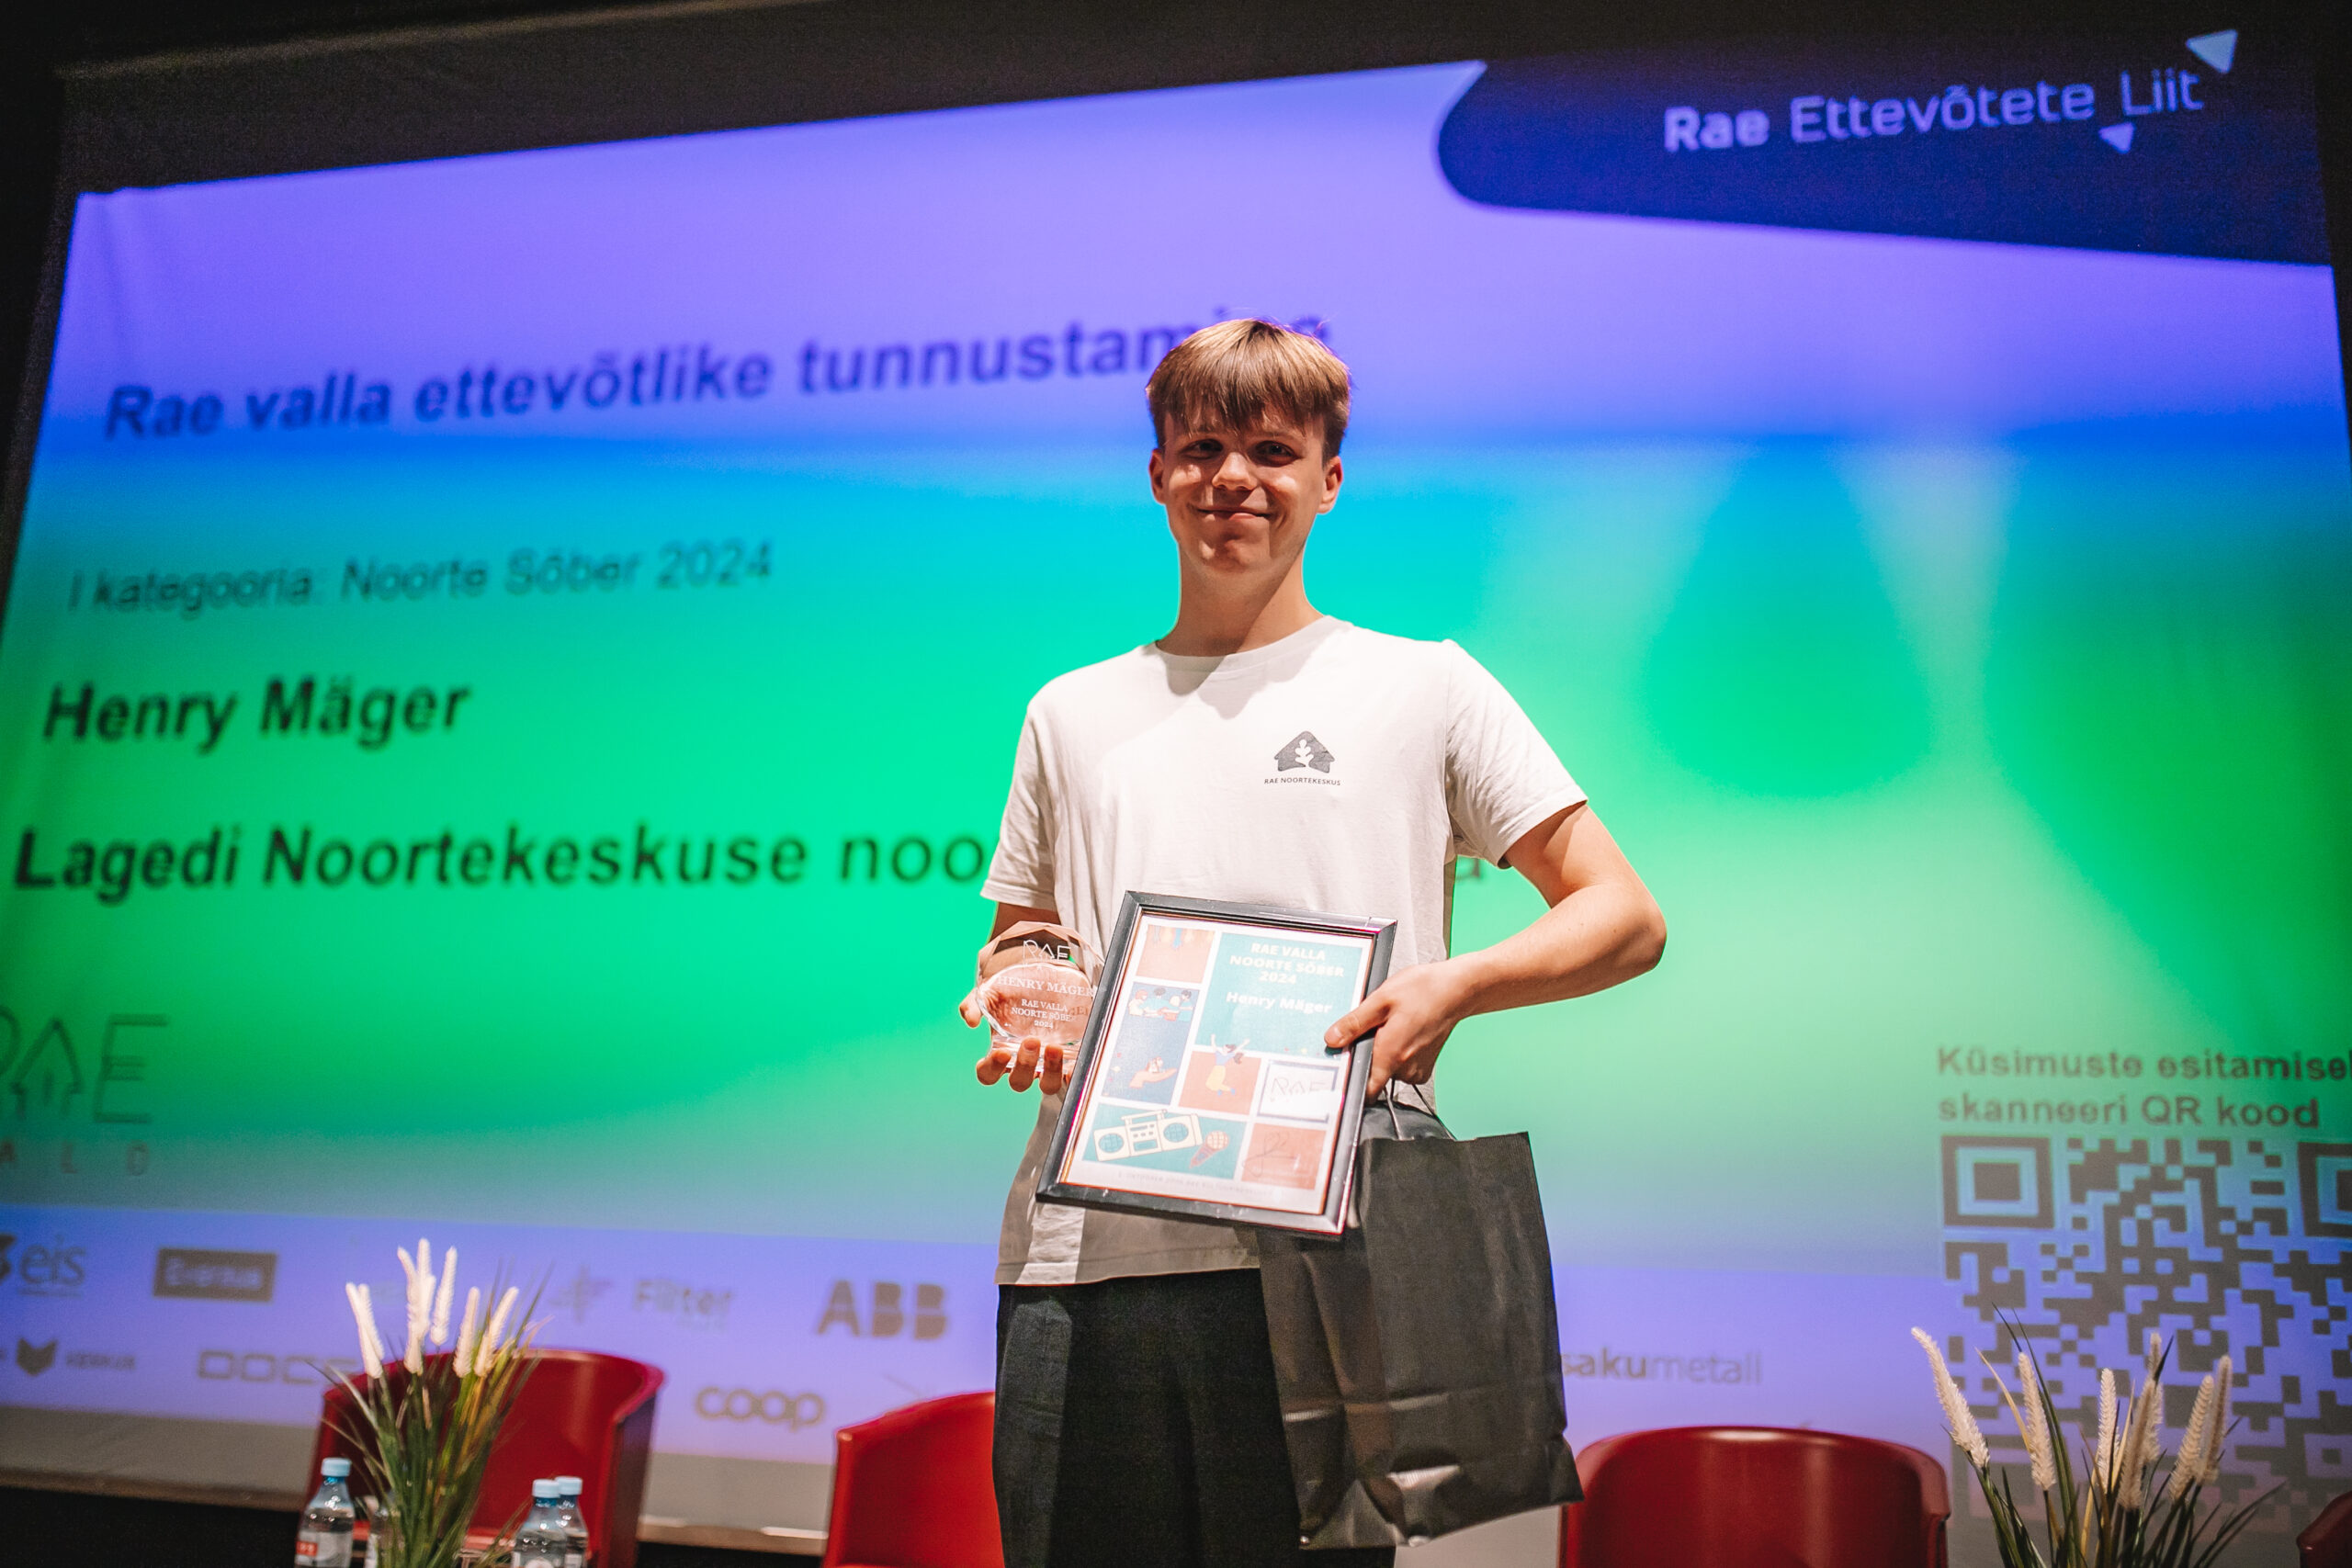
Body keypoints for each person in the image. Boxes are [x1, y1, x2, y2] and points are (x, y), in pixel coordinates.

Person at [961, 319, 1666, 1568]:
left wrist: (1453, 985)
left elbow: (1622, 915)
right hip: (1085, 1257)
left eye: (1273, 451)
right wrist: (1032, 988)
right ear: (1159, 474)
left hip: (1326, 1252)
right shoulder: (1070, 710)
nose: (1232, 477)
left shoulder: (1424, 684)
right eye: (1201, 449)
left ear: (1329, 480)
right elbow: (1029, 936)